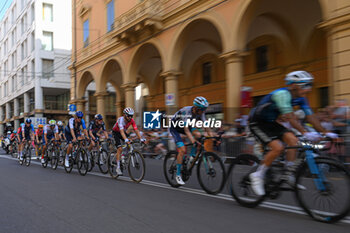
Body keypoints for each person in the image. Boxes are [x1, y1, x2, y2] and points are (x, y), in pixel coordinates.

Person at [248, 71, 338, 196]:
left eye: (310, 85)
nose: (308, 89)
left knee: (293, 140)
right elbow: (289, 117)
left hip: (272, 123)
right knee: (277, 148)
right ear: (294, 85)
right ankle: (257, 175)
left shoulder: (301, 99)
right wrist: (305, 132)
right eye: (305, 85)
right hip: (257, 123)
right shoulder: (282, 94)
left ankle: (288, 173)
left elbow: (311, 117)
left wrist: (325, 132)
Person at [169, 96, 215, 185]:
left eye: (205, 109)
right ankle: (178, 175)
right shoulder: (187, 111)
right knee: (182, 150)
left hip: (186, 126)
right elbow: (186, 130)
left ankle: (192, 157)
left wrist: (213, 138)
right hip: (175, 127)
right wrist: (192, 140)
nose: (204, 111)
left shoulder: (201, 112)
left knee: (198, 135)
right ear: (197, 108)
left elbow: (206, 127)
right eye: (203, 109)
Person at [112, 107, 145, 175]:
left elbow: (136, 130)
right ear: (125, 115)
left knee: (129, 143)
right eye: (129, 116)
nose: (130, 117)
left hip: (123, 132)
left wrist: (141, 138)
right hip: (116, 132)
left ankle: (123, 156)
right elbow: (121, 132)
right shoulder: (120, 120)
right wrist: (126, 139)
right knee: (120, 148)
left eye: (131, 116)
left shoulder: (132, 121)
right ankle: (118, 168)